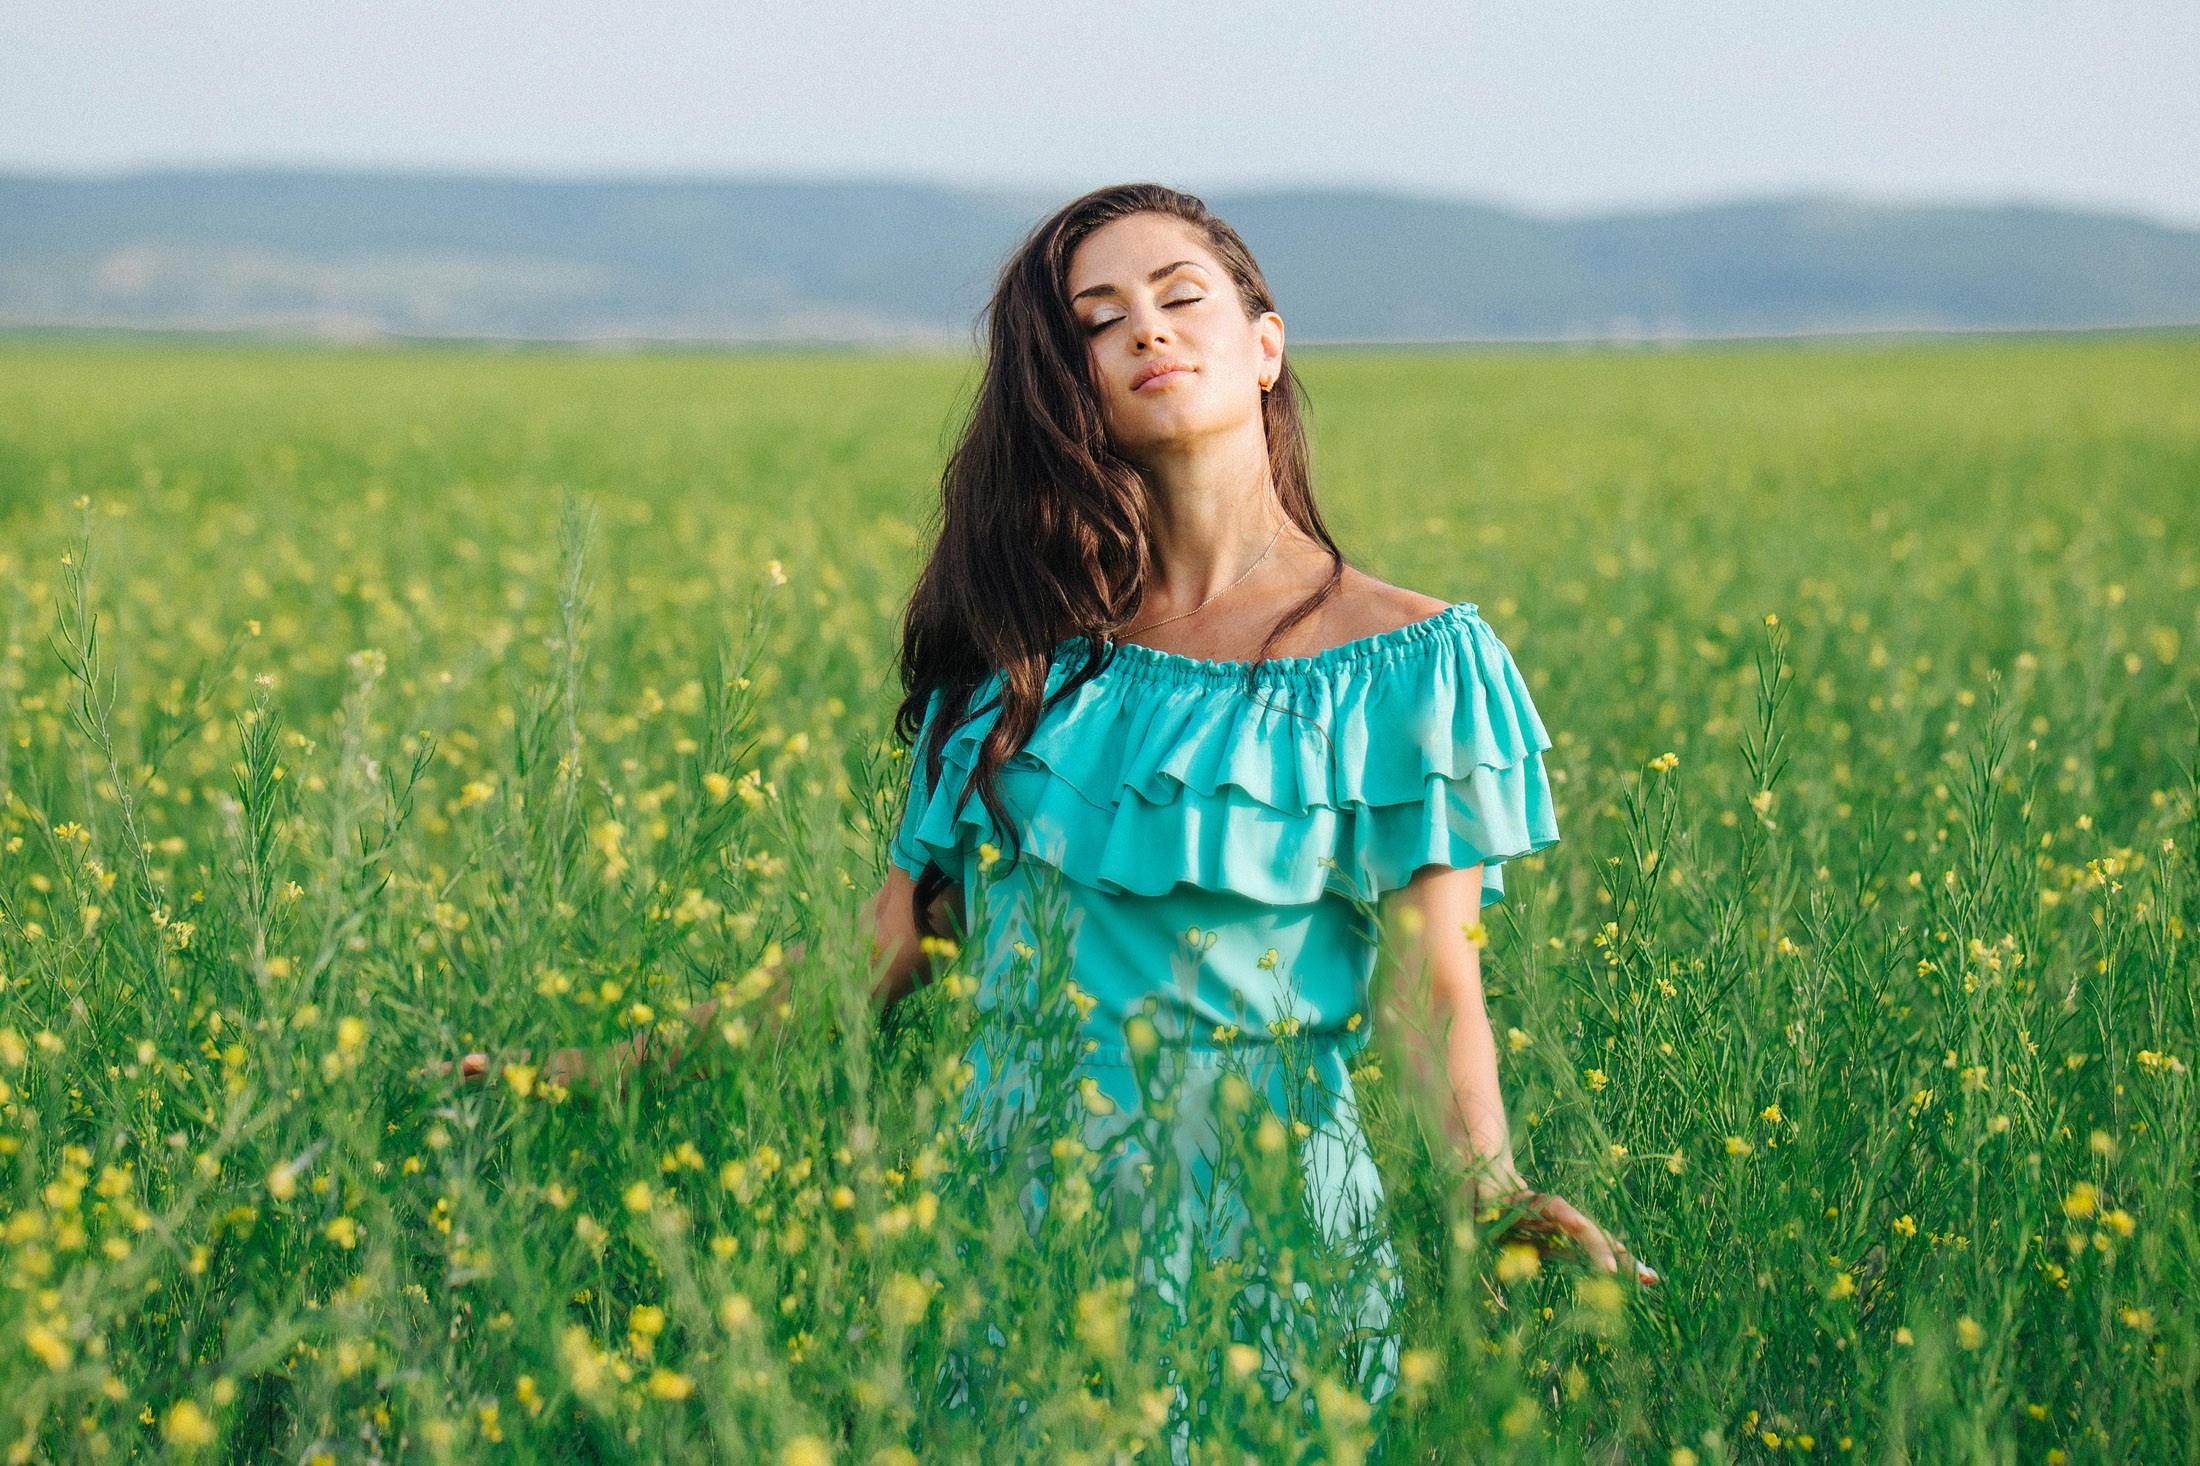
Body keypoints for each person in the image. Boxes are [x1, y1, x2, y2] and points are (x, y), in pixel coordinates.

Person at [441, 178, 1655, 1416]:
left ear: (1266, 346)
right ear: (1064, 384)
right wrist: (612, 1064)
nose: (1146, 329)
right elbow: (880, 950)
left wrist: (1490, 1192)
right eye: (1096, 320)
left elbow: (1430, 981)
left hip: (1275, 1231)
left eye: (1181, 298)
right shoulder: (1023, 669)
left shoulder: (1412, 663)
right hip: (1016, 1230)